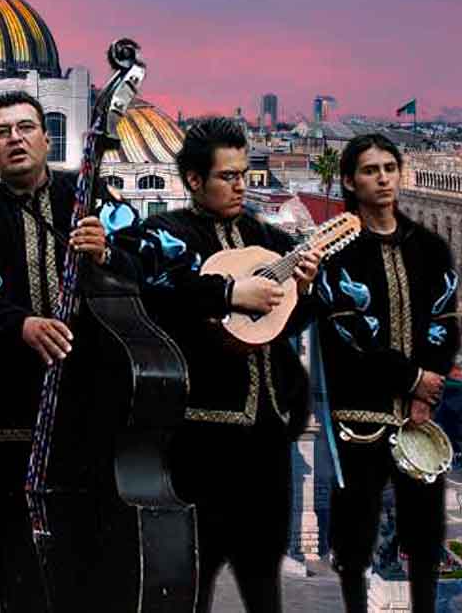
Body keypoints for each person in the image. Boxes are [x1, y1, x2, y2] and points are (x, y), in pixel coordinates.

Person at [113, 117, 320, 613]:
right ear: (193, 181)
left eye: (244, 174)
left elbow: (281, 325)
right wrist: (226, 292)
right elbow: (145, 292)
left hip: (267, 438)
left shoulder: (263, 236)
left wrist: (305, 289)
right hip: (201, 438)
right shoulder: (163, 234)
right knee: (194, 578)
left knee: (263, 578)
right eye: (228, 176)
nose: (241, 185)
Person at [0, 91, 125, 612]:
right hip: (1, 429)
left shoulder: (92, 199)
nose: (15, 139)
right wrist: (21, 325)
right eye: (1, 132)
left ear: (47, 138)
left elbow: (148, 266)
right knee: (15, 573)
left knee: (88, 563)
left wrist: (108, 252)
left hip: (85, 421)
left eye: (25, 128)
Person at [314, 134, 459, 613]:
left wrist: (427, 389)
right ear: (351, 181)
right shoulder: (338, 257)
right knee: (355, 543)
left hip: (419, 422)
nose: (382, 178)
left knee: (423, 538)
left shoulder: (430, 249)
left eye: (389, 168)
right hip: (360, 419)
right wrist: (412, 379)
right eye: (370, 170)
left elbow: (445, 320)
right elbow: (351, 335)